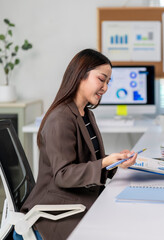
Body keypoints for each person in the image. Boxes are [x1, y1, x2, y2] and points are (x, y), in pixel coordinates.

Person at [20, 49, 137, 240]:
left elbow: (89, 161)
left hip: (79, 200)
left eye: (108, 82)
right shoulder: (61, 118)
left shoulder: (85, 113)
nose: (106, 87)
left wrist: (115, 163)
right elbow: (64, 175)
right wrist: (105, 162)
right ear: (81, 74)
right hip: (57, 212)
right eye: (102, 79)